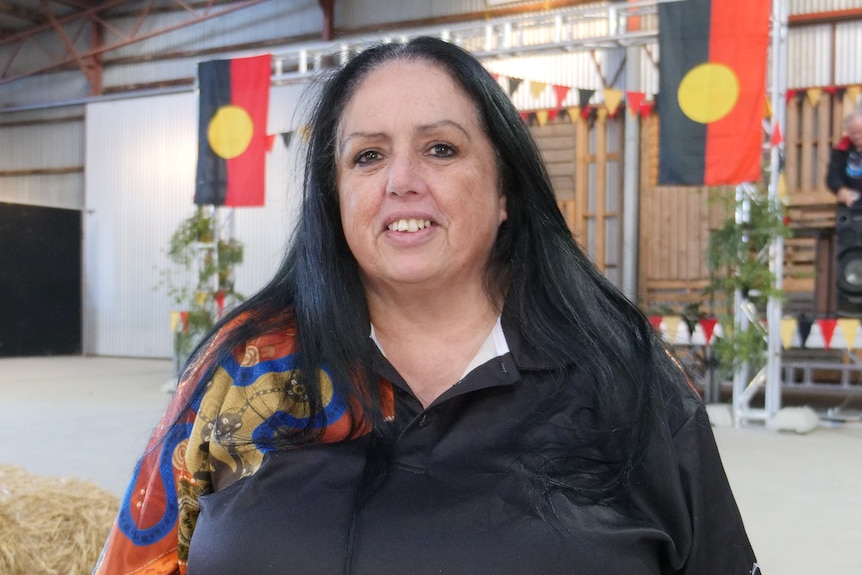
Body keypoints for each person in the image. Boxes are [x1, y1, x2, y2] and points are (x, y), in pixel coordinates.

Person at [94, 37, 758, 575]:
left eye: (441, 149)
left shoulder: (624, 374)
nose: (402, 181)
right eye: (368, 156)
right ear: (334, 198)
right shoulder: (243, 368)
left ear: (505, 192)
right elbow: (137, 559)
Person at [827, 109, 862, 206]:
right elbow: (832, 176)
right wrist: (841, 189)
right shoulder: (841, 149)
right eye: (853, 133)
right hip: (850, 204)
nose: (857, 136)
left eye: (860, 132)